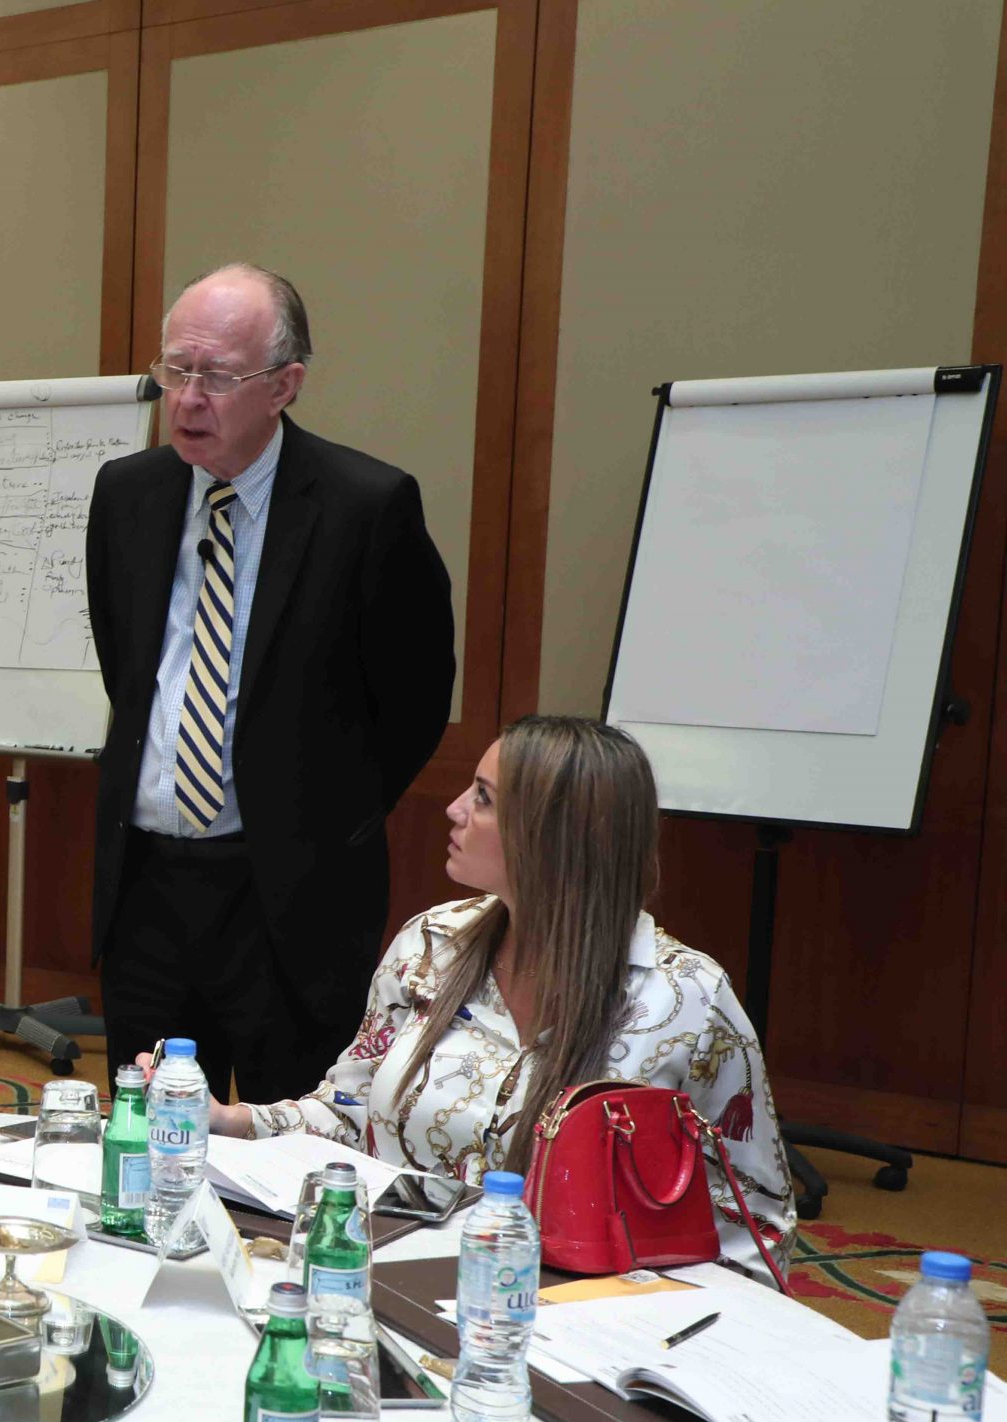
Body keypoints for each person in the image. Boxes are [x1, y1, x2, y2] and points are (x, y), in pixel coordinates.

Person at [203, 716, 796, 1253]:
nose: (454, 808)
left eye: (483, 798)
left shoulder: (688, 1000)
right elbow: (352, 1111)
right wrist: (234, 1121)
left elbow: (755, 1225)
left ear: (556, 834)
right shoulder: (431, 943)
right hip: (394, 1273)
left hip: (571, 1310)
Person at [86, 265, 456, 1102]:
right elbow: (128, 670)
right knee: (147, 1136)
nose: (188, 399)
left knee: (288, 1140)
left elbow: (414, 701)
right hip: (146, 887)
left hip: (289, 898)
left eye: (217, 377)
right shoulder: (126, 494)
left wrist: (319, 814)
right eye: (175, 370)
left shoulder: (367, 506)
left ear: (285, 385)